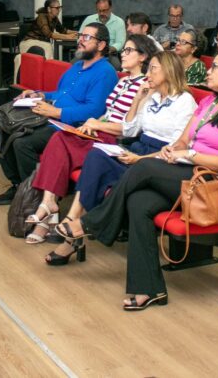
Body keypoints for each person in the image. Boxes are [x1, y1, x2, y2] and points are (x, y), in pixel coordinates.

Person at [54, 50, 218, 310]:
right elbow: (184, 139)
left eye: (215, 67)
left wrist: (190, 155)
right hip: (187, 173)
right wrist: (173, 149)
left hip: (216, 184)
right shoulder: (209, 103)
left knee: (144, 167)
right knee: (139, 202)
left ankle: (92, 222)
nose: (208, 71)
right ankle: (149, 289)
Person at [42, 51, 196, 263]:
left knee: (100, 173)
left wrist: (139, 160)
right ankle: (73, 219)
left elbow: (175, 148)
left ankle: (72, 237)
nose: (147, 74)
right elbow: (130, 129)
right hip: (139, 149)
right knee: (96, 156)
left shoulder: (185, 101)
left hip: (159, 161)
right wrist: (138, 99)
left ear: (169, 71)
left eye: (153, 69)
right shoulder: (152, 96)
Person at [24, 34, 156, 244]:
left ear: (143, 57)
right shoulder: (123, 81)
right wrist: (92, 122)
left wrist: (97, 124)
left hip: (114, 139)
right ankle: (48, 203)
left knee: (60, 143)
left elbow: (131, 129)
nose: (123, 54)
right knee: (59, 137)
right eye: (123, 50)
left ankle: (47, 217)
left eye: (129, 50)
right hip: (98, 131)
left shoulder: (146, 87)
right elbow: (109, 112)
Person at [0, 22, 118, 205]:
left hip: (72, 127)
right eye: (80, 36)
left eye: (87, 37)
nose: (80, 40)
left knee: (22, 142)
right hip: (49, 117)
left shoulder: (105, 72)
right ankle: (19, 185)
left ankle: (35, 196)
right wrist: (39, 94)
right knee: (2, 130)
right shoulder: (77, 66)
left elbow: (94, 110)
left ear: (101, 45)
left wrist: (58, 112)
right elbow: (60, 93)